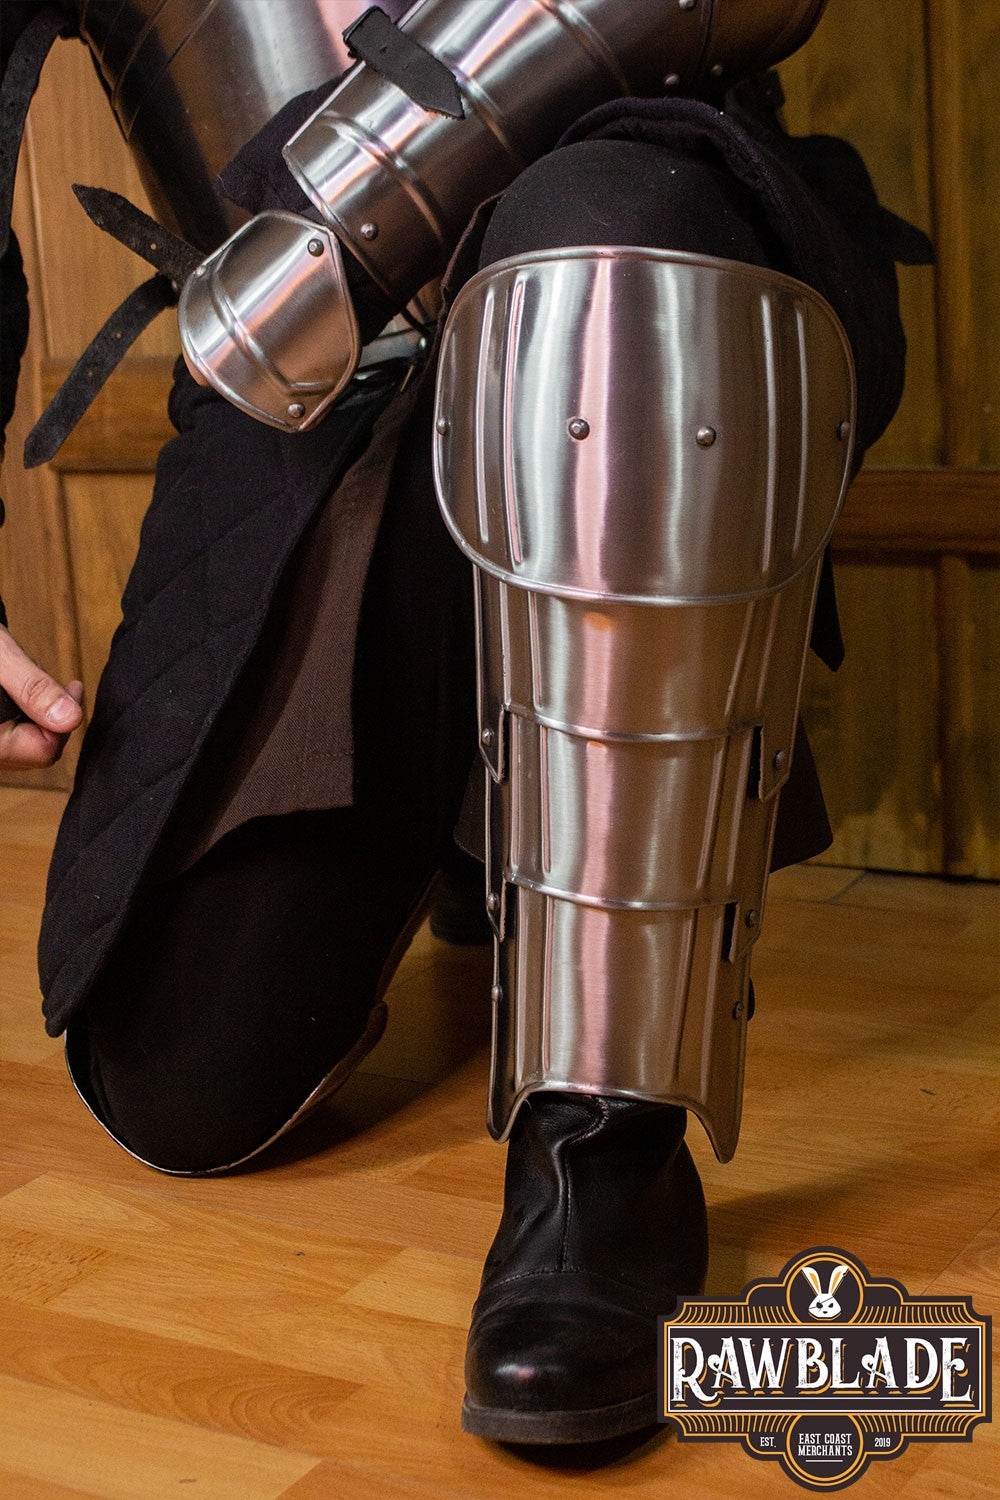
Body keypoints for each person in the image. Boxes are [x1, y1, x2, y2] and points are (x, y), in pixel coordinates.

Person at [0, 0, 929, 1445]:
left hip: (644, 254)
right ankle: (468, 813)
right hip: (300, 377)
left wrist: (359, 198)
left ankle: (601, 1158)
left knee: (598, 245)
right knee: (184, 1087)